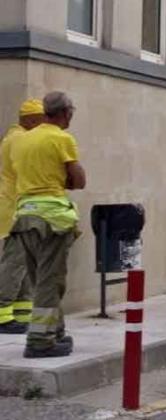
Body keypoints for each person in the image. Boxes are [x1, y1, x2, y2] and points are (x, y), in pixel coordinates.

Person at [8, 92, 86, 358]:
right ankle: (40, 341)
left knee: (38, 278)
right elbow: (78, 179)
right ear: (65, 112)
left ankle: (56, 331)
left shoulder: (22, 140)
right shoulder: (61, 138)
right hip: (52, 218)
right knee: (50, 281)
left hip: (24, 215)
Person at [0, 99, 45, 334]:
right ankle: (2, 314)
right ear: (29, 119)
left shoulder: (18, 137)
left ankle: (20, 313)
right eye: (39, 120)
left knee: (24, 264)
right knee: (15, 264)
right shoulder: (18, 139)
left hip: (23, 209)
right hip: (16, 211)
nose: (42, 125)